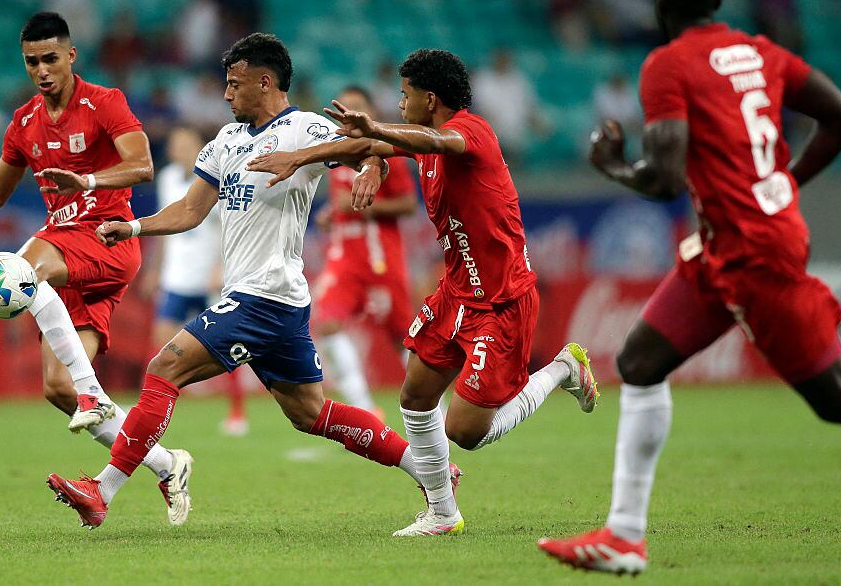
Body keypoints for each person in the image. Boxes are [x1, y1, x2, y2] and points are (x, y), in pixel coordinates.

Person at [45, 33, 459, 533]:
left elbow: (368, 144)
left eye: (234, 83)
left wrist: (371, 165)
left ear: (265, 82)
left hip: (266, 295)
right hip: (269, 301)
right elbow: (192, 209)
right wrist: (134, 227)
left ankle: (102, 490)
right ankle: (432, 469)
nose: (225, 94)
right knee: (310, 413)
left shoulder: (305, 128)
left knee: (164, 366)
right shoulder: (227, 140)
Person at [537, 0, 841, 575]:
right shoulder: (763, 52)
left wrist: (611, 166)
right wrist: (785, 181)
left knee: (833, 400)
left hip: (754, 253)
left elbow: (665, 179)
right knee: (639, 361)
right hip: (726, 245)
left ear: (661, 2)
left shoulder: (669, 64)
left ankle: (624, 536)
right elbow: (838, 114)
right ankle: (624, 537)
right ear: (716, 3)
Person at [247, 48, 600, 536]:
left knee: (466, 432)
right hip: (457, 293)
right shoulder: (425, 139)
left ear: (430, 98)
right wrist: (335, 158)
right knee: (414, 395)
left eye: (405, 95)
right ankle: (442, 512)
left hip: (502, 301)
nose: (400, 102)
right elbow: (380, 148)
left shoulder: (470, 132)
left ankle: (563, 368)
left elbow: (436, 140)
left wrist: (376, 135)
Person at [0, 12, 194, 526]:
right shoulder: (24, 122)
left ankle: (93, 391)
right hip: (67, 258)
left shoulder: (104, 102)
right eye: (32, 62)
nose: (42, 70)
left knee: (24, 269)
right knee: (57, 388)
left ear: (71, 56)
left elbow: (143, 165)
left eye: (51, 58)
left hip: (108, 239)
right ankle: (167, 464)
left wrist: (87, 183)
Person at [312, 85, 417, 414]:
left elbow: (409, 204)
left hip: (380, 260)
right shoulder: (336, 154)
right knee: (327, 324)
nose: (350, 114)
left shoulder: (386, 153)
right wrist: (331, 214)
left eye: (357, 107)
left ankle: (434, 408)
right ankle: (364, 410)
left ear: (369, 114)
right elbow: (343, 204)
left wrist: (366, 206)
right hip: (344, 260)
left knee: (403, 336)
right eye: (345, 108)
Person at [152, 126, 247, 435]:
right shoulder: (166, 179)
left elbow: (230, 228)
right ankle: (158, 408)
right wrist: (156, 269)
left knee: (226, 345)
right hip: (176, 276)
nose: (180, 149)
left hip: (210, 278)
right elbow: (166, 226)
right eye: (175, 144)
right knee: (162, 341)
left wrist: (221, 267)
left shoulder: (214, 179)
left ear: (199, 148)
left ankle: (237, 411)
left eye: (186, 143)